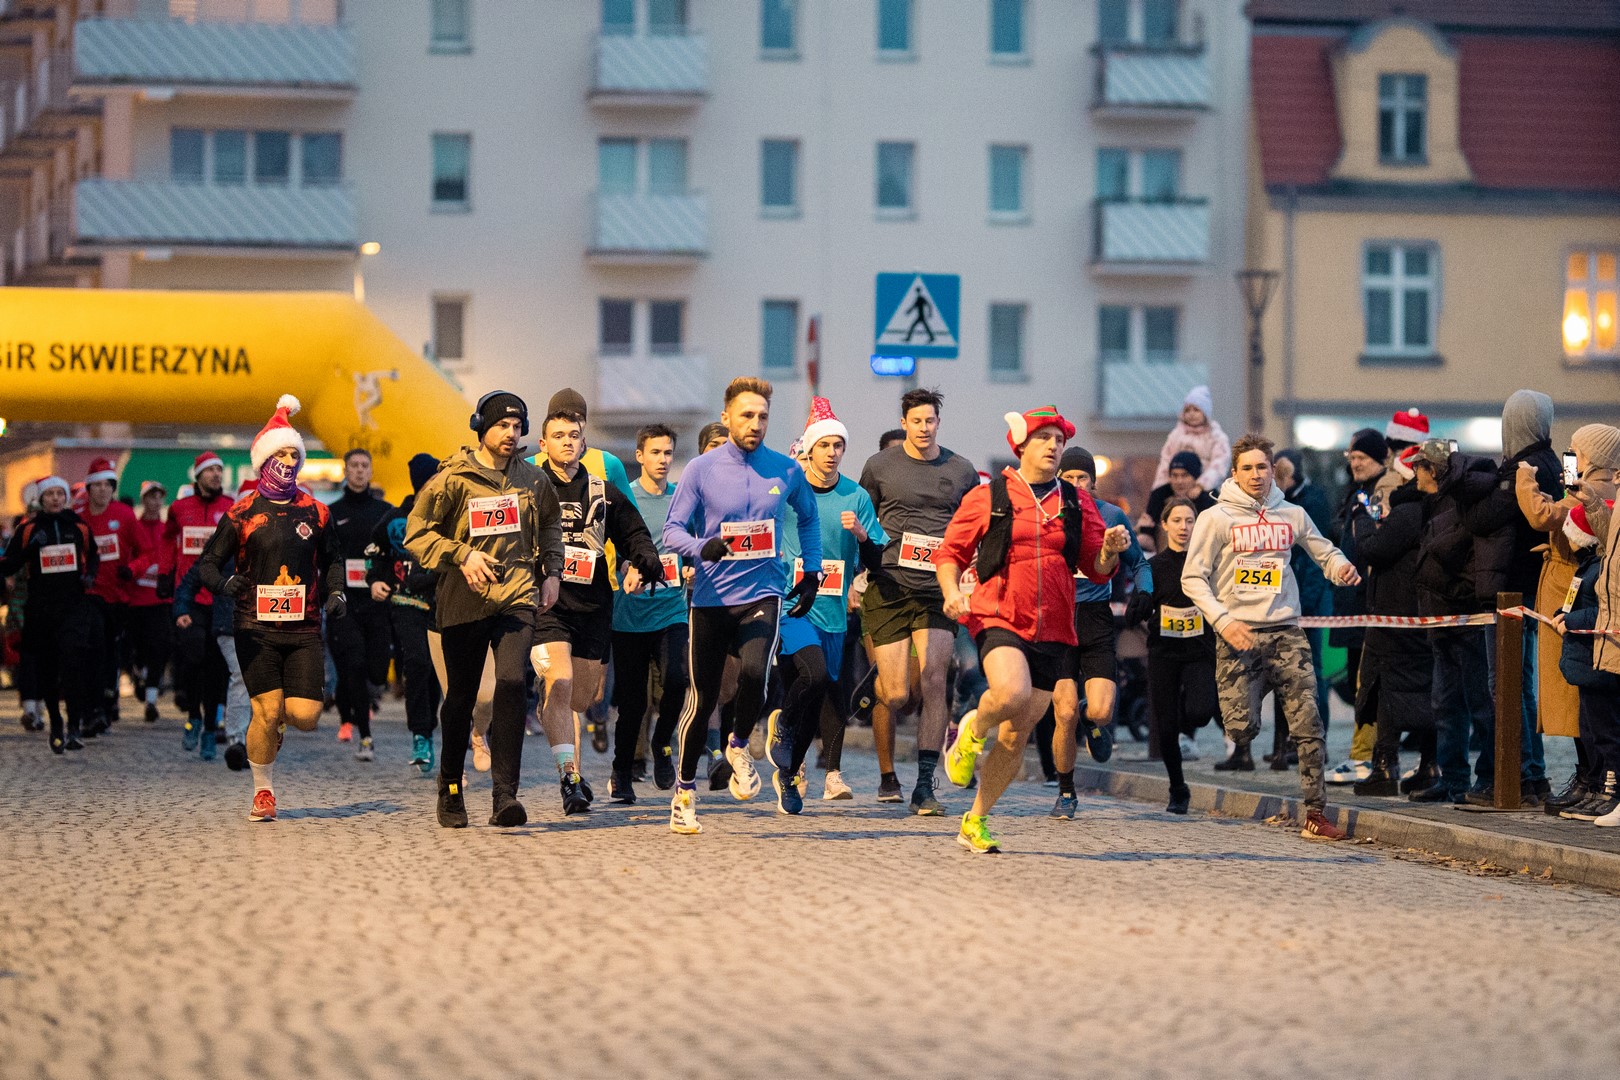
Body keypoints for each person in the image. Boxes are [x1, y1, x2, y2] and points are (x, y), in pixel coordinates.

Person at [938, 407, 1127, 853]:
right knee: (1011, 692)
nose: (1053, 446)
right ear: (1021, 444)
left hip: (1056, 626)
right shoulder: (991, 495)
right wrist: (950, 592)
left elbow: (1096, 568)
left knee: (1016, 734)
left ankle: (975, 820)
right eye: (1043, 438)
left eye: (1058, 440)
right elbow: (951, 552)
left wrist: (1110, 551)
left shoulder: (1075, 501)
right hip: (1000, 612)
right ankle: (972, 728)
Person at [1180, 432, 1360, 842]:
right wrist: (1223, 621)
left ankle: (1316, 813)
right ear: (1235, 472)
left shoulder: (1291, 514)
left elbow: (1323, 550)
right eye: (1248, 468)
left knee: (1309, 724)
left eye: (1263, 467)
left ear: (1273, 469)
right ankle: (1252, 698)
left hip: (1286, 632)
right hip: (1237, 634)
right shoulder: (1216, 518)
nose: (1256, 474)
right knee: (1241, 729)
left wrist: (1340, 567)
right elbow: (1193, 578)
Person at [662, 377, 822, 835]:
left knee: (756, 674)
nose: (755, 424)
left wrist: (811, 572)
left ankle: (737, 744)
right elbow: (672, 530)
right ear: (727, 417)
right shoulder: (701, 469)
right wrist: (701, 547)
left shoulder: (785, 470)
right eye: (747, 415)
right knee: (703, 698)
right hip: (711, 599)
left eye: (763, 416)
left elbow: (808, 518)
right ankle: (684, 793)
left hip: (763, 592)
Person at [406, 390, 564, 828]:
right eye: (502, 425)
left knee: (512, 682)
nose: (511, 433)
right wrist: (461, 555)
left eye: (517, 426)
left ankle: (504, 796)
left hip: (516, 596)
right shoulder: (453, 478)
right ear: (481, 427)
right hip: (464, 603)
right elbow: (417, 533)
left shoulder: (533, 479)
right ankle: (450, 788)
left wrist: (552, 571)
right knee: (461, 697)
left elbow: (551, 523)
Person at [196, 397, 345, 820]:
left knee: (305, 716)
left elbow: (334, 559)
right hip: (253, 627)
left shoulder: (316, 512)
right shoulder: (242, 512)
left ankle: (278, 726)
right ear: (264, 460)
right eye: (281, 454)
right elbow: (207, 564)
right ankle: (263, 793)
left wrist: (337, 592)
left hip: (303, 629)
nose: (288, 462)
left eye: (294, 455)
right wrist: (225, 584)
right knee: (264, 709)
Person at [531, 404, 663, 812]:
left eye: (574, 436)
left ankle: (548, 702)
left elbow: (634, 532)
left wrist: (645, 558)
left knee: (582, 698)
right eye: (558, 436)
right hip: (547, 604)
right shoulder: (532, 487)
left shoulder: (602, 491)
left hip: (592, 607)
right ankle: (569, 778)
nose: (567, 442)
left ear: (584, 442)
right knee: (561, 680)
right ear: (543, 444)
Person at [858, 387, 980, 813]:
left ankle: (925, 786)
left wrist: (972, 563)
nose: (924, 428)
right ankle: (873, 685)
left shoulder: (961, 470)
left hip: (936, 590)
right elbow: (864, 522)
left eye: (930, 421)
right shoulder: (879, 466)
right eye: (916, 421)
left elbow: (975, 524)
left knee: (933, 678)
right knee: (895, 696)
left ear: (938, 423)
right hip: (890, 584)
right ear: (904, 423)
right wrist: (856, 572)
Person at [771, 397, 887, 809]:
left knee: (821, 690)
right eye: (824, 445)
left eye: (839, 445)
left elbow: (877, 559)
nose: (833, 452)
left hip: (835, 611)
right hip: (793, 607)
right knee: (812, 676)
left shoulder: (856, 496)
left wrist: (861, 536)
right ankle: (785, 732)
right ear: (809, 448)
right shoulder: (789, 491)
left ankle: (789, 773)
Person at [1458, 389, 1562, 805]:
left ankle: (1516, 776)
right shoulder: (1550, 463)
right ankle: (1532, 776)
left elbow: (1482, 518)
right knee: (1520, 684)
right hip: (1530, 587)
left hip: (1510, 589)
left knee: (1504, 684)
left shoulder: (1525, 468)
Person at [1045, 445, 1146, 818]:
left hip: (1095, 618)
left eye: (1082, 477)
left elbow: (1140, 563)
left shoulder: (1111, 515)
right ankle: (1066, 792)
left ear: (1093, 482)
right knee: (1064, 711)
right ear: (1058, 480)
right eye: (1068, 477)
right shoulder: (1046, 515)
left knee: (1101, 711)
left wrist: (1144, 593)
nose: (1075, 483)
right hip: (1057, 619)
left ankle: (1093, 720)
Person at [1407, 439, 1505, 804]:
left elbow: (1469, 561)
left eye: (1418, 467)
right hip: (1441, 619)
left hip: (1464, 618)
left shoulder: (1460, 503)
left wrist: (1455, 591)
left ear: (1432, 470)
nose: (1414, 474)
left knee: (1479, 704)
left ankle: (1488, 778)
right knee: (1445, 704)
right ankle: (1453, 778)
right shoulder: (1433, 503)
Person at [1346, 447, 1436, 796]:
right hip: (1420, 613)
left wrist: (1362, 518)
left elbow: (1374, 549)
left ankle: (1386, 766)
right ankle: (1430, 765)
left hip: (1396, 616)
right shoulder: (1432, 507)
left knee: (1386, 687)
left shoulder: (1408, 511)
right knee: (1425, 689)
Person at [610, 424, 691, 796]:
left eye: (668, 453)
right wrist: (626, 566)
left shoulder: (682, 499)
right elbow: (611, 549)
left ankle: (661, 743)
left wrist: (692, 567)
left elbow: (694, 543)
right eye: (655, 452)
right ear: (639, 455)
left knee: (677, 679)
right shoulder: (625, 498)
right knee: (632, 703)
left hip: (671, 609)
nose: (663, 460)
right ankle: (622, 772)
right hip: (629, 614)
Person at [1125, 496, 1217, 814]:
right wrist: (1139, 606)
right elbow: (1137, 606)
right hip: (1163, 652)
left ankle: (1188, 711)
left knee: (1200, 712)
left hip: (1199, 652)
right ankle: (1178, 788)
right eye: (1176, 520)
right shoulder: (1153, 567)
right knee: (1165, 728)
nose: (1183, 527)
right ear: (1164, 525)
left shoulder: (1207, 563)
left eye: (1189, 520)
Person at [0, 476, 98, 753]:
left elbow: (93, 555)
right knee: (47, 670)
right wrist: (31, 549)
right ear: (41, 499)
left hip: (73, 608)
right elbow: (7, 566)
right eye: (50, 494)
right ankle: (56, 721)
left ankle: (74, 726)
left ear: (66, 497)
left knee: (73, 664)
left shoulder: (78, 526)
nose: (55, 498)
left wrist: (90, 575)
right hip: (41, 610)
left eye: (60, 493)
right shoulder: (28, 529)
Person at [1517, 440, 1590, 812]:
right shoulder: (1580, 495)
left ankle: (1594, 780)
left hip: (1574, 601)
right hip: (1564, 599)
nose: (1571, 461)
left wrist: (1525, 478)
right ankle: (1588, 776)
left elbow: (1542, 516)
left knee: (1580, 693)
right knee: (1574, 689)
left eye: (1579, 454)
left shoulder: (1590, 496)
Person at [366, 453, 443, 775]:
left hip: (442, 606)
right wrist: (375, 580)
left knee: (437, 672)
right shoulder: (395, 519)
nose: (440, 484)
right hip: (405, 603)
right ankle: (420, 736)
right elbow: (374, 553)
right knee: (417, 663)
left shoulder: (449, 514)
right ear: (421, 483)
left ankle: (431, 727)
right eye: (434, 479)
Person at [1563, 424, 1620, 818]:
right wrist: (1593, 505)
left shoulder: (1609, 484)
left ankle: (1609, 788)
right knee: (1597, 721)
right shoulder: (1608, 491)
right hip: (1604, 621)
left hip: (1609, 622)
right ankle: (1604, 787)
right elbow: (1610, 539)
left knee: (1606, 720)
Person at [159, 451, 233, 751]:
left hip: (219, 599)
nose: (216, 474)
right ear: (198, 475)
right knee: (193, 658)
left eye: (219, 470)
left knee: (216, 665)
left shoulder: (230, 507)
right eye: (210, 470)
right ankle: (193, 716)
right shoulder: (179, 508)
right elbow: (167, 539)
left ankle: (211, 728)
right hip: (189, 597)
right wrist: (165, 573)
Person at [1327, 429, 1387, 783]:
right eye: (1352, 458)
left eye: (1362, 458)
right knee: (1355, 681)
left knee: (1368, 683)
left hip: (1372, 603)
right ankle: (1365, 754)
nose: (1355, 464)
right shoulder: (1354, 493)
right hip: (1351, 601)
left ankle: (1365, 756)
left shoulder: (1382, 491)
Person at [328, 448, 396, 760]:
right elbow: (325, 557)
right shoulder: (332, 512)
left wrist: (388, 582)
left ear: (370, 471)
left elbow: (396, 556)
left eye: (364, 465)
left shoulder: (385, 511)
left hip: (377, 601)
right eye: (353, 465)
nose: (358, 470)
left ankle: (365, 696)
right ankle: (365, 736)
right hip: (345, 603)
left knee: (378, 671)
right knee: (353, 663)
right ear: (345, 470)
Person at [1555, 501, 1618, 823]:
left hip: (1598, 660)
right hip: (1584, 661)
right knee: (1591, 730)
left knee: (1605, 732)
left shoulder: (1601, 568)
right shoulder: (1589, 567)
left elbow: (1604, 612)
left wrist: (1571, 619)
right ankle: (1596, 789)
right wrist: (1564, 614)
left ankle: (1609, 792)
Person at [1271, 448, 1334, 770]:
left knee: (1312, 673)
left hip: (1308, 602)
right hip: (1288, 600)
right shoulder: (1281, 503)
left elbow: (1313, 559)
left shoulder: (1312, 502)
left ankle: (1316, 742)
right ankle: (1288, 742)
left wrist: (1304, 605)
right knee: (1286, 675)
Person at [80, 457, 143, 736]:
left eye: (108, 485)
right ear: (89, 488)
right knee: (93, 649)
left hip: (118, 598)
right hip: (88, 595)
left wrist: (132, 569)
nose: (103, 490)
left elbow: (147, 551)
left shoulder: (125, 515)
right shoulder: (79, 518)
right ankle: (91, 709)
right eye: (98, 485)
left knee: (109, 653)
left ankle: (106, 703)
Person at [128, 480, 174, 722]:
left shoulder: (168, 529)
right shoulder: (133, 528)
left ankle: (152, 701)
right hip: (135, 600)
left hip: (160, 599)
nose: (155, 502)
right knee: (137, 648)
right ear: (143, 500)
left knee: (159, 647)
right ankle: (139, 673)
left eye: (159, 497)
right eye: (150, 497)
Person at [1152, 385, 1231, 493]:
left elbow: (1220, 465)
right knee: (1157, 496)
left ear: (1205, 413)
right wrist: (1160, 486)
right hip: (1176, 485)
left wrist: (1201, 485)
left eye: (1196, 410)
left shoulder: (1216, 436)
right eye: (1187, 410)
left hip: (1206, 488)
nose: (1191, 414)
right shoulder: (1176, 435)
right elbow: (1165, 462)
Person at [1139, 450, 1216, 549]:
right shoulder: (1159, 497)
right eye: (1174, 475)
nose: (1179, 481)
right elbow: (1147, 538)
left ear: (1196, 478)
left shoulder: (1210, 500)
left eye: (1185, 475)